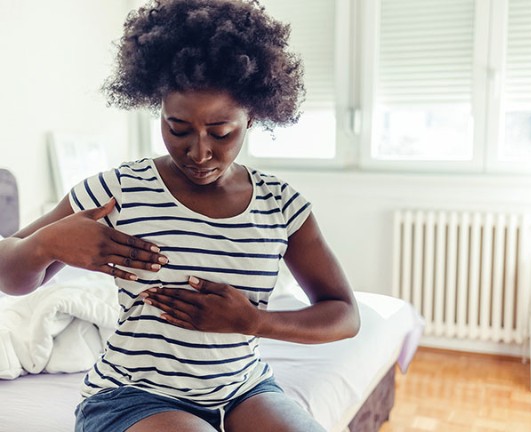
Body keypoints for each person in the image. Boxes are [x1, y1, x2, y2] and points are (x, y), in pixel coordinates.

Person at [0, 0, 360, 431]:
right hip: (132, 396)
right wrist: (47, 244)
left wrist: (254, 321)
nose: (199, 152)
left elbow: (344, 314)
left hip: (245, 389)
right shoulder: (118, 190)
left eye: (222, 132)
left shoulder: (281, 205)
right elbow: (9, 272)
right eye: (178, 128)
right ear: (158, 109)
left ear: (255, 115)